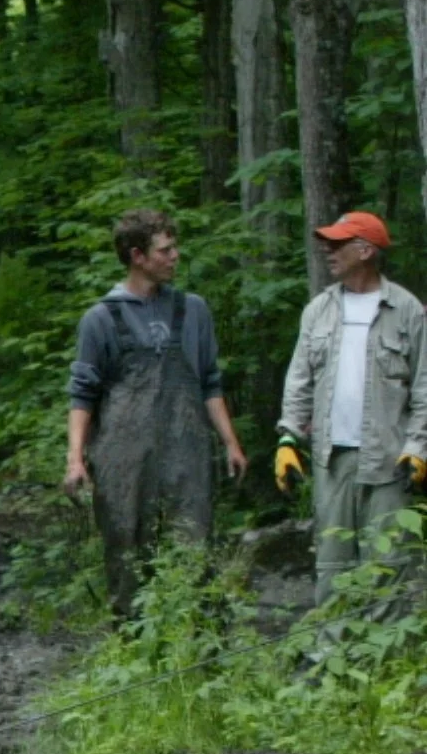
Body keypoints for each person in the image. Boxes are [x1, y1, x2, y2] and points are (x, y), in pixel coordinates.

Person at [64, 208, 249, 615]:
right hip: (124, 459)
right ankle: (133, 638)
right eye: (165, 250)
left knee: (194, 544)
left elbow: (210, 383)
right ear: (137, 256)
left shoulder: (194, 310)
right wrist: (75, 459)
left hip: (187, 451)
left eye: (174, 248)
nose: (175, 256)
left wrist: (231, 444)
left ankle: (199, 638)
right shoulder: (100, 319)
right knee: (127, 550)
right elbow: (82, 394)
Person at [274, 211, 427, 603]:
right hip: (332, 461)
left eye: (338, 244)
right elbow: (299, 380)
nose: (328, 251)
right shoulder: (318, 310)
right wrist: (288, 439)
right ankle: (331, 642)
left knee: (390, 568)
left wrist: (418, 448)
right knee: (333, 568)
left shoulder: (407, 311)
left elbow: (424, 388)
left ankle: (385, 645)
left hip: (390, 463)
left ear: (365, 250)